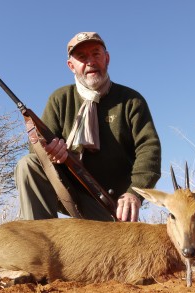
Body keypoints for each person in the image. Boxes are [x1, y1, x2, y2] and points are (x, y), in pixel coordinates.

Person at [15, 32, 161, 222]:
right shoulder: (60, 99)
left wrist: (134, 193)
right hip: (69, 193)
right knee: (28, 164)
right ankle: (39, 241)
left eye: (96, 54)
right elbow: (37, 152)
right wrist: (50, 153)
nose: (90, 61)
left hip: (112, 205)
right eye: (82, 57)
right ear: (71, 66)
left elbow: (149, 149)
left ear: (106, 59)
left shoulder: (131, 100)